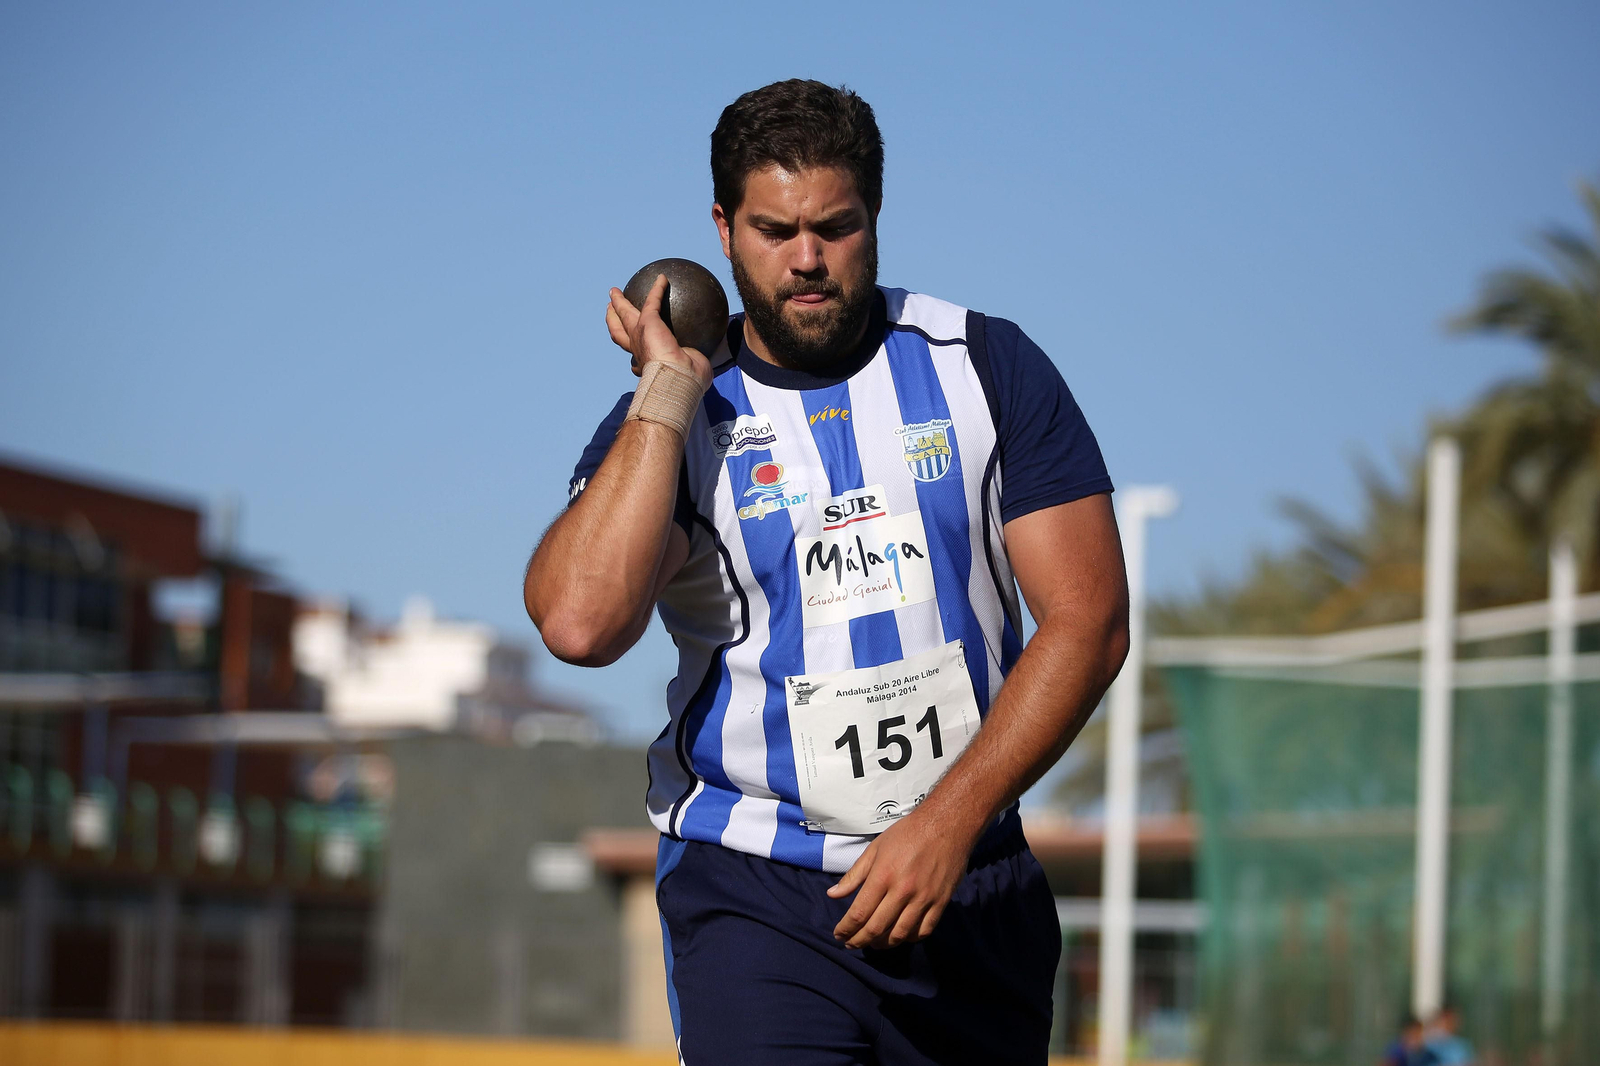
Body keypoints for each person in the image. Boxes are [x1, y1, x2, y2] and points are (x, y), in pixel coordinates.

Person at [524, 79, 1128, 1065]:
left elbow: (1088, 622)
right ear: (721, 229)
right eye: (773, 229)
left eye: (833, 227)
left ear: (873, 216)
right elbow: (580, 624)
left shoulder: (984, 364)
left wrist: (947, 825)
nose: (805, 258)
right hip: (758, 889)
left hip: (970, 879)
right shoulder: (676, 418)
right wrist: (667, 392)